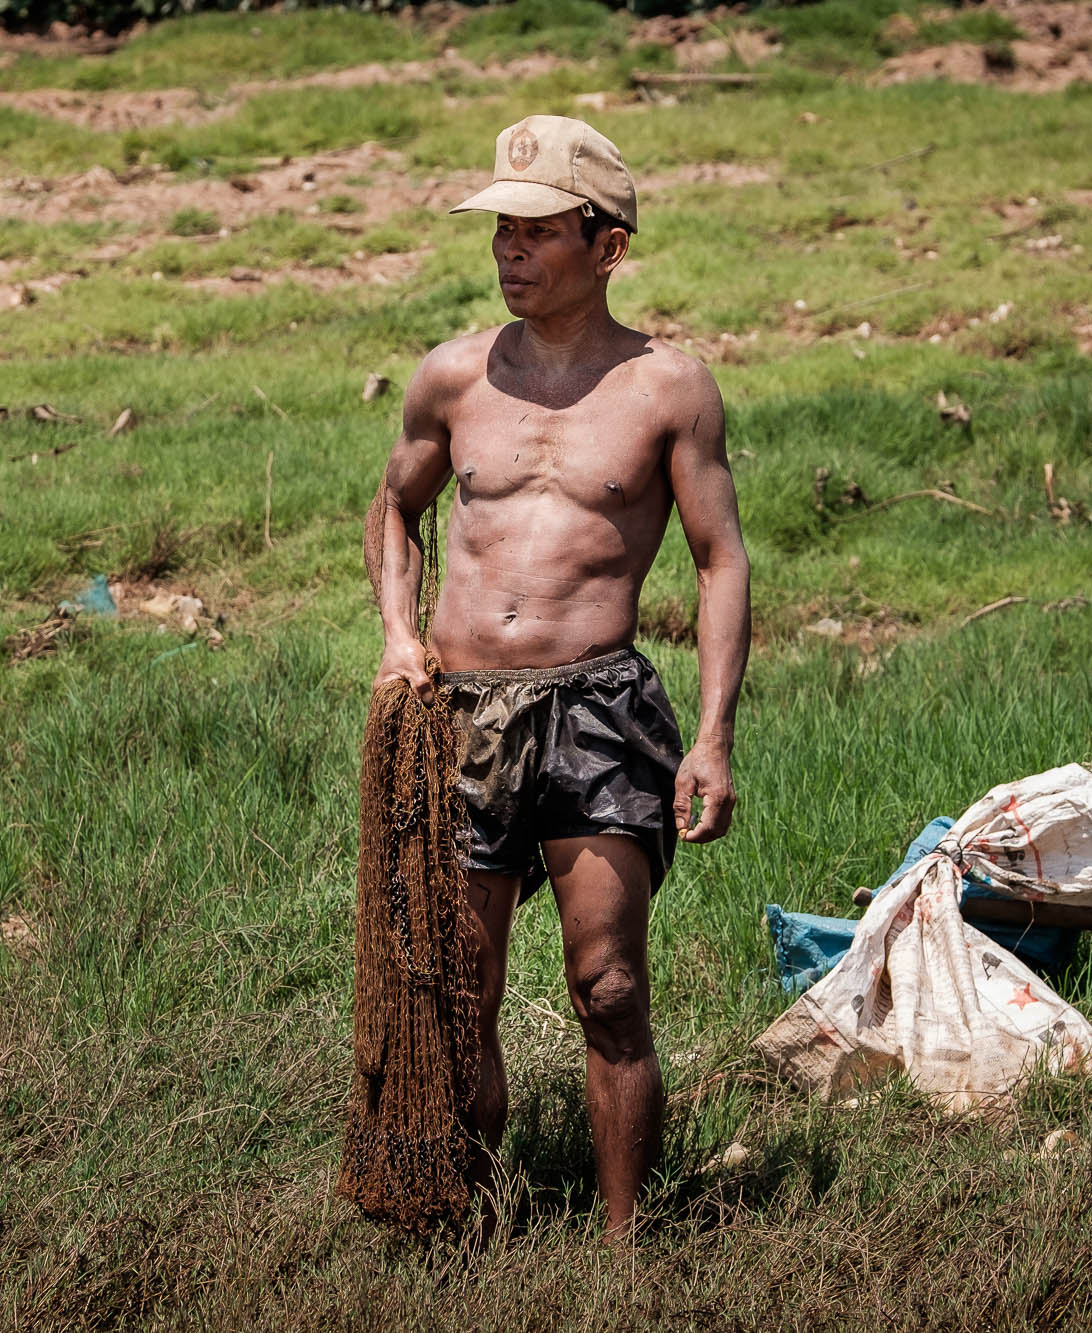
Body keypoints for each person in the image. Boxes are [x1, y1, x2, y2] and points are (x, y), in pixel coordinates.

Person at [360, 114, 751, 1237]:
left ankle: (624, 1245)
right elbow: (396, 507)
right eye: (499, 232)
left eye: (537, 232)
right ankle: (470, 1223)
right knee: (460, 991)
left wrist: (713, 737)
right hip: (462, 715)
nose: (509, 253)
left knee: (609, 985)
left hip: (597, 712)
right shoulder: (451, 376)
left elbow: (719, 558)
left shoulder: (668, 389)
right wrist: (398, 635)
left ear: (607, 243)